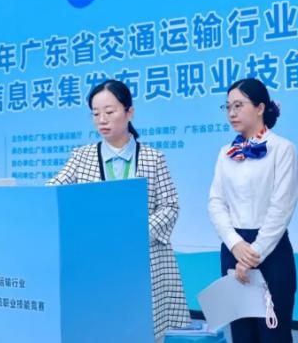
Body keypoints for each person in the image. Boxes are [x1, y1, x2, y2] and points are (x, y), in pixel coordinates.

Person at [46, 79, 190, 342]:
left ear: (129, 112)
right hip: (98, 259)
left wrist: (136, 233)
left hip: (144, 259)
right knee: (100, 325)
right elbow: (52, 191)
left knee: (146, 328)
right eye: (95, 114)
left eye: (109, 112)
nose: (102, 120)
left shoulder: (153, 157)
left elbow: (170, 206)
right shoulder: (81, 156)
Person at [208, 78, 298, 342]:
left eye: (238, 105)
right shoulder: (225, 152)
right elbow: (215, 202)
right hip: (233, 249)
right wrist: (235, 243)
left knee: (274, 332)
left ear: (260, 108)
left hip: (270, 251)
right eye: (227, 107)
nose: (232, 113)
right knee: (242, 333)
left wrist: (253, 253)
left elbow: (281, 207)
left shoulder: (283, 149)